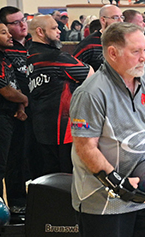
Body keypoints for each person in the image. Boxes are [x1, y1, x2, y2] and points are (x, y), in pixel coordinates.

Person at [70, 22, 145, 237]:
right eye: (136, 51)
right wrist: (118, 184)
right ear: (113, 53)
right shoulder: (91, 93)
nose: (144, 57)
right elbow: (85, 147)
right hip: (105, 200)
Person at [27, 15, 95, 176]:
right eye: (54, 28)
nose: (59, 31)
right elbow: (91, 74)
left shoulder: (30, 54)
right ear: (40, 31)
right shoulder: (55, 57)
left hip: (41, 126)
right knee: (66, 177)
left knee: (50, 177)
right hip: (62, 129)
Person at [0, 6, 31, 214]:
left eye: (23, 20)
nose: (21, 25)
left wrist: (22, 103)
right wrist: (22, 100)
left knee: (25, 159)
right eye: (14, 23)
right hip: (4, 114)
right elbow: (6, 88)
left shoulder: (32, 46)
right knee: (5, 164)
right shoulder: (2, 52)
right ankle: (9, 205)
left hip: (25, 112)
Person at [76, 5, 124, 71]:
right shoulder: (89, 44)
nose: (120, 21)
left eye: (121, 17)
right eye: (115, 17)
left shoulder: (125, 40)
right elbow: (76, 69)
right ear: (103, 20)